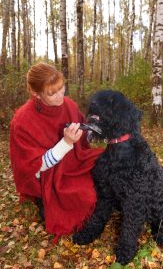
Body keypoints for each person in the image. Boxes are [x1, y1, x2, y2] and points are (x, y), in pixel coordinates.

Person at [10, 62, 103, 241]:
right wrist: (66, 142)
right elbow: (35, 167)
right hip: (48, 175)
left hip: (75, 161)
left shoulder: (68, 104)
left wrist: (94, 127)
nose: (61, 95)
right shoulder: (22, 121)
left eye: (62, 88)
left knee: (107, 162)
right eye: (52, 93)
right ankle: (45, 203)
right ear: (36, 94)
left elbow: (85, 138)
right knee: (86, 198)